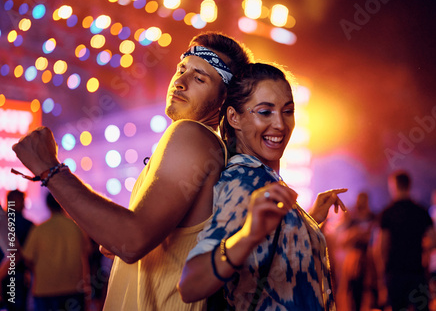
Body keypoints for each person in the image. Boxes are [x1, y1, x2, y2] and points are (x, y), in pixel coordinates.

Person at [12, 32, 253, 310]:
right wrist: (114, 231)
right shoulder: (210, 146)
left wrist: (49, 169)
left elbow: (132, 240)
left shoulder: (191, 134)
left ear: (225, 101)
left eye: (199, 78)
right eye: (181, 69)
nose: (181, 82)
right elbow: (139, 238)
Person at [178, 63, 346, 310]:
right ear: (234, 117)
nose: (280, 124)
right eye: (265, 112)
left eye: (287, 111)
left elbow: (272, 256)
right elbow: (191, 283)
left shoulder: (263, 177)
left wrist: (310, 219)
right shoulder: (245, 180)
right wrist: (249, 234)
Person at [374, 170, 435, 311]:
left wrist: (382, 276)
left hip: (394, 274)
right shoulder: (421, 211)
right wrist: (426, 261)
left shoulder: (387, 213)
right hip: (416, 271)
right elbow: (433, 241)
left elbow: (381, 247)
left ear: (393, 186)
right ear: (409, 185)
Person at [22, 192, 90, 311]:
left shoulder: (40, 229)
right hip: (74, 287)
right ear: (63, 204)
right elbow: (87, 253)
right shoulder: (76, 228)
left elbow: (28, 258)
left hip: (44, 289)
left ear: (48, 205)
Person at [335, 192, 377, 311]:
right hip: (354, 260)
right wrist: (357, 233)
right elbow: (342, 240)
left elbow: (375, 238)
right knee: (352, 290)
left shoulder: (373, 217)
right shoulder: (352, 218)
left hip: (369, 258)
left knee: (369, 289)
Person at [0, 190, 34, 311]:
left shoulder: (4, 220)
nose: (24, 204)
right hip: (18, 275)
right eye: (22, 201)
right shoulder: (27, 225)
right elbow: (20, 254)